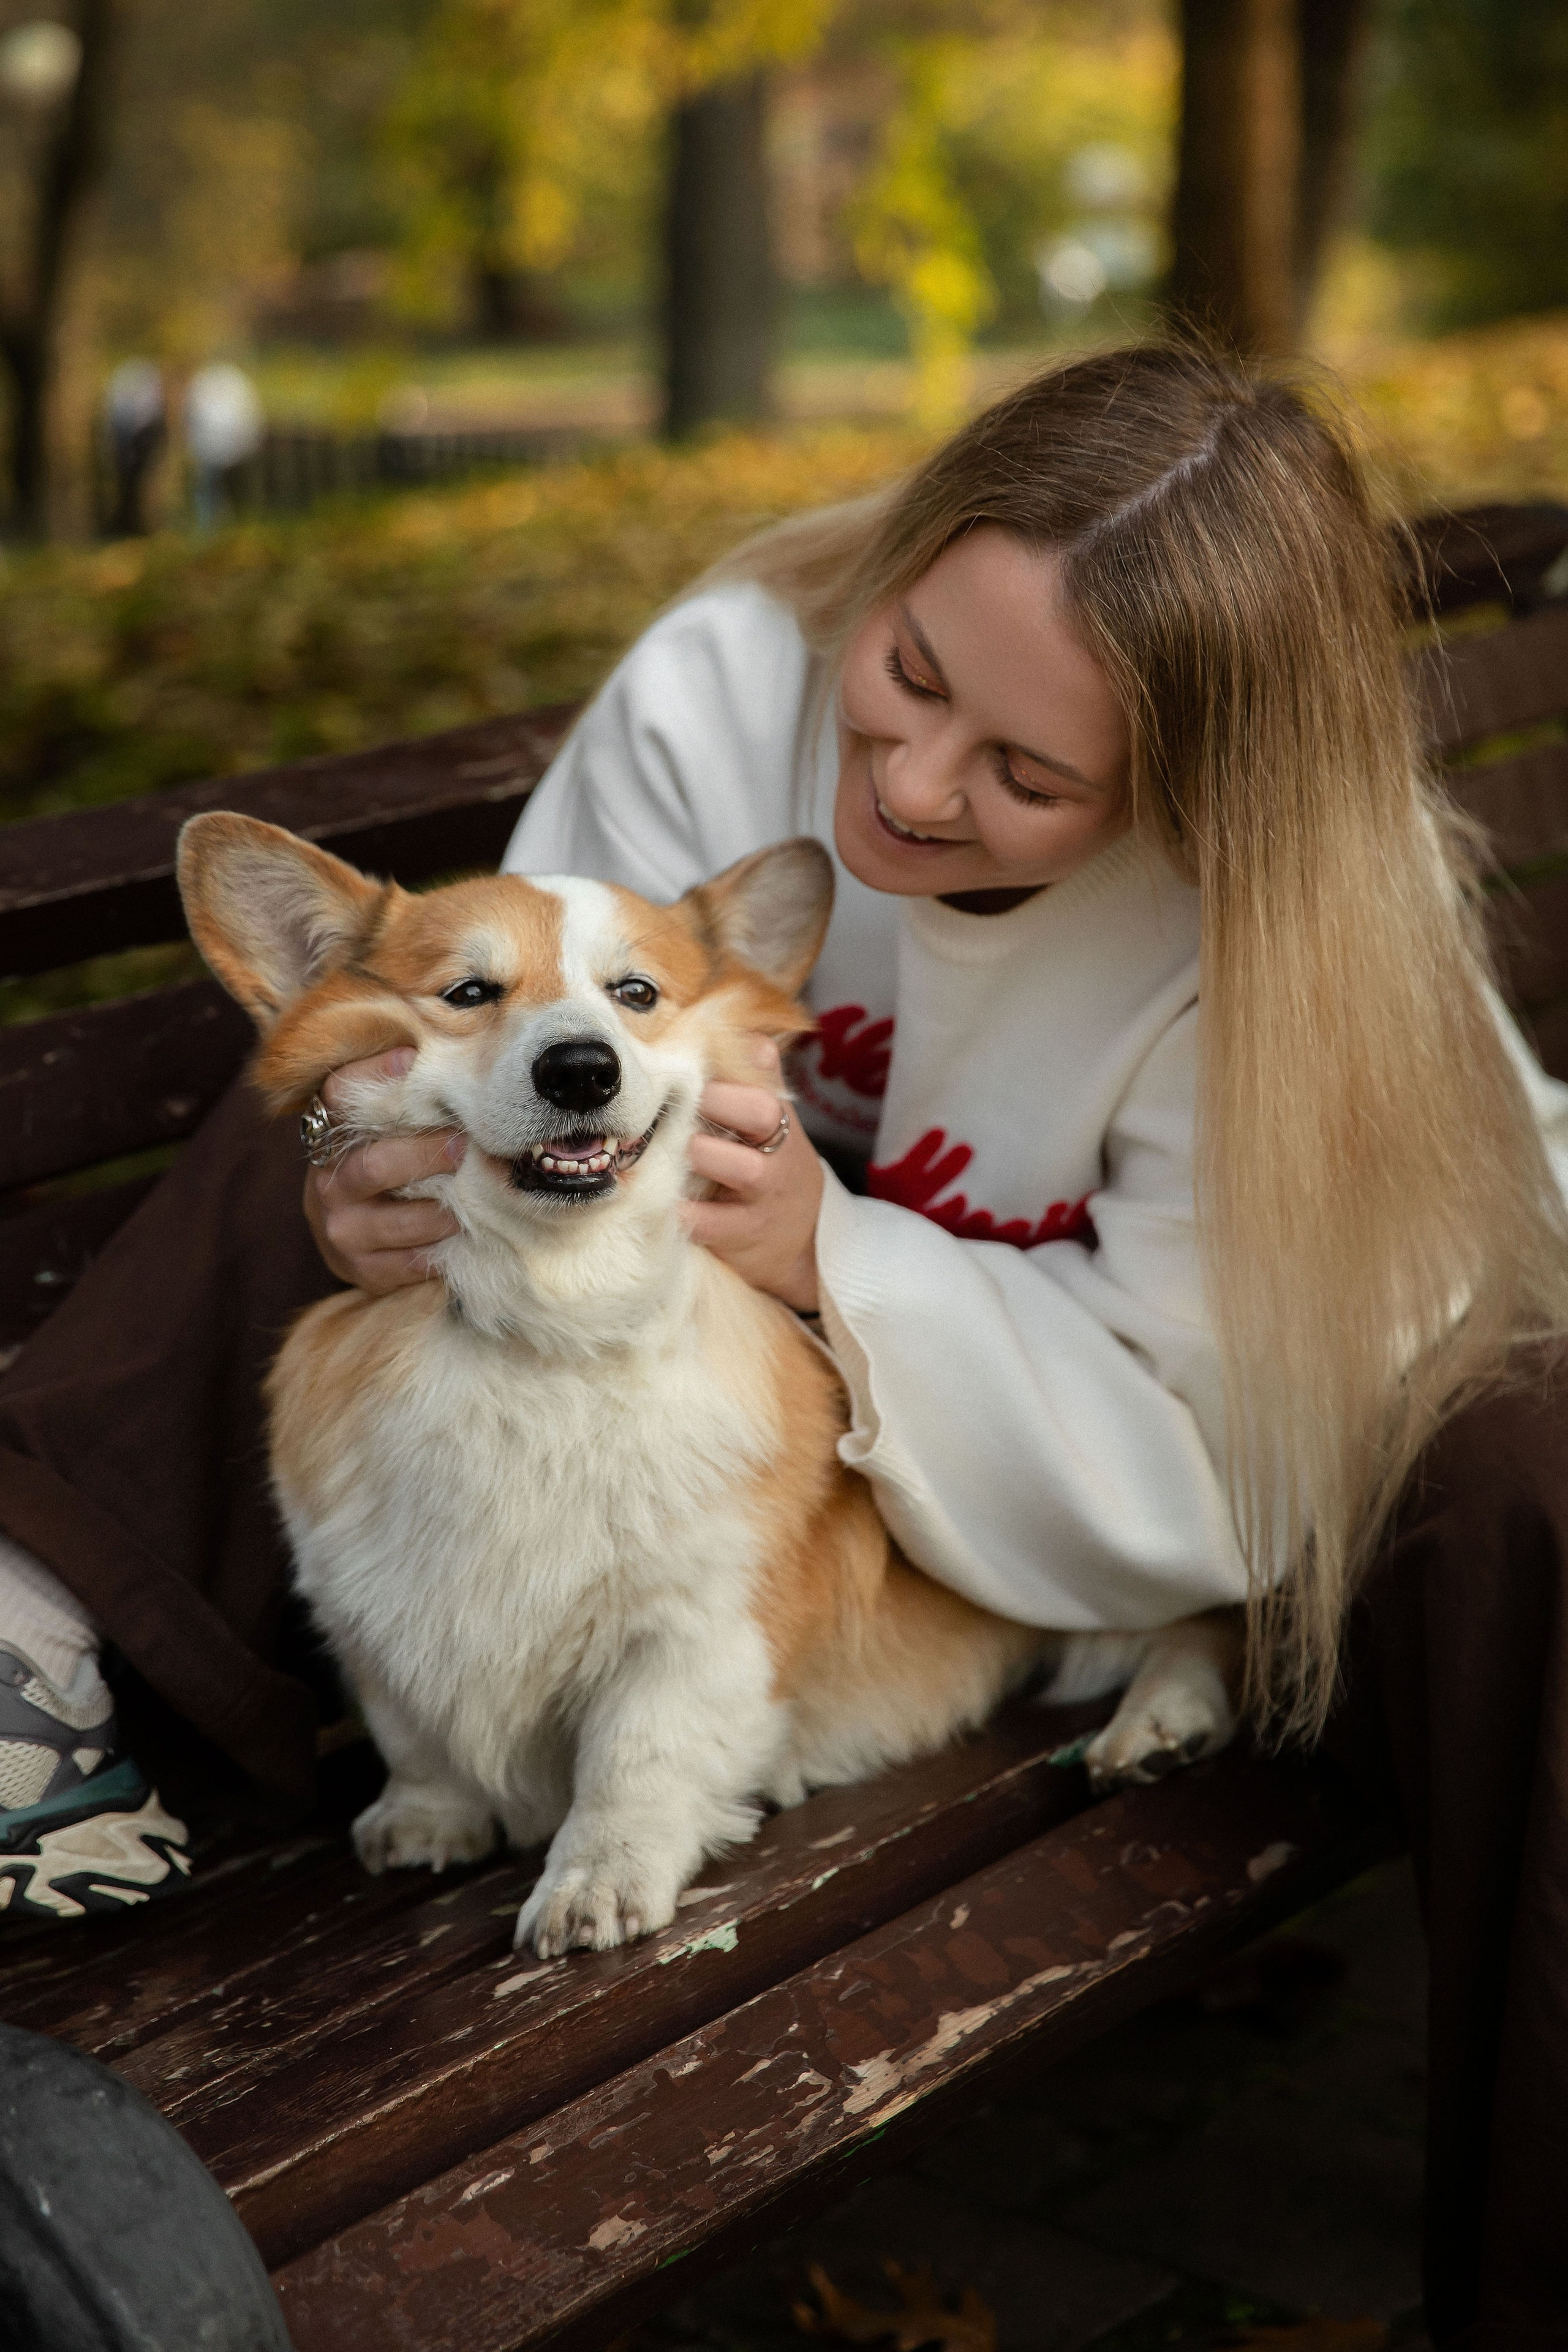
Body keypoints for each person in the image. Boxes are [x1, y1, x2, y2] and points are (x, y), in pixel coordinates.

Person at [1, 344, 1566, 2344]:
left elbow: (1207, 1445)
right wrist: (354, 1151)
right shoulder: (730, 678)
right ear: (895, 570)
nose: (911, 786)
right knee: (375, 1090)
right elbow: (514, 1013)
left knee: (1545, 1484)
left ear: (1178, 798)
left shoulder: (1267, 925)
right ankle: (35, 1635)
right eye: (915, 674)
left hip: (1315, 1355)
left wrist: (845, 1256)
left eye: (1024, 776)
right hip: (746, 1363)